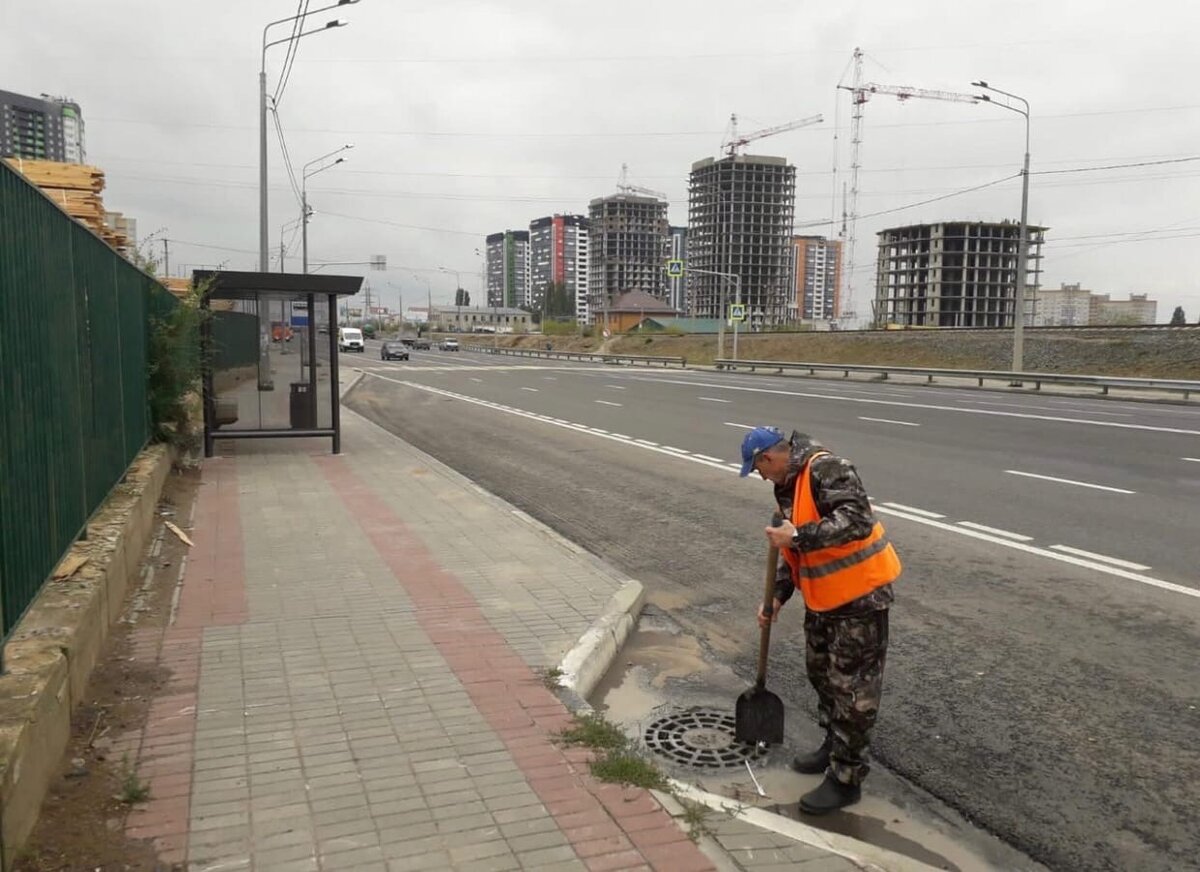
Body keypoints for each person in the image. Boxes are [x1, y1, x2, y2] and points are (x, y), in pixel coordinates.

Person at [739, 426, 901, 815]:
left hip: (861, 599)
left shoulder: (826, 469)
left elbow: (856, 520)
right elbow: (793, 555)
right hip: (824, 601)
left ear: (769, 457)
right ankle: (835, 745)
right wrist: (777, 596)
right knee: (820, 675)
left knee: (852, 694)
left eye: (758, 468)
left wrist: (798, 536)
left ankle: (846, 779)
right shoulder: (787, 487)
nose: (760, 477)